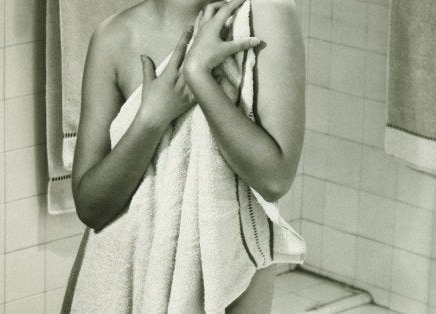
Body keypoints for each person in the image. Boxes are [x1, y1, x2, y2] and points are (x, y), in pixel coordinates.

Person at [70, 0, 305, 312]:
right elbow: (90, 207)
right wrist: (150, 120)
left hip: (228, 282)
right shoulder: (114, 36)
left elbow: (275, 178)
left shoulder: (265, 16)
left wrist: (199, 76)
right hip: (124, 277)